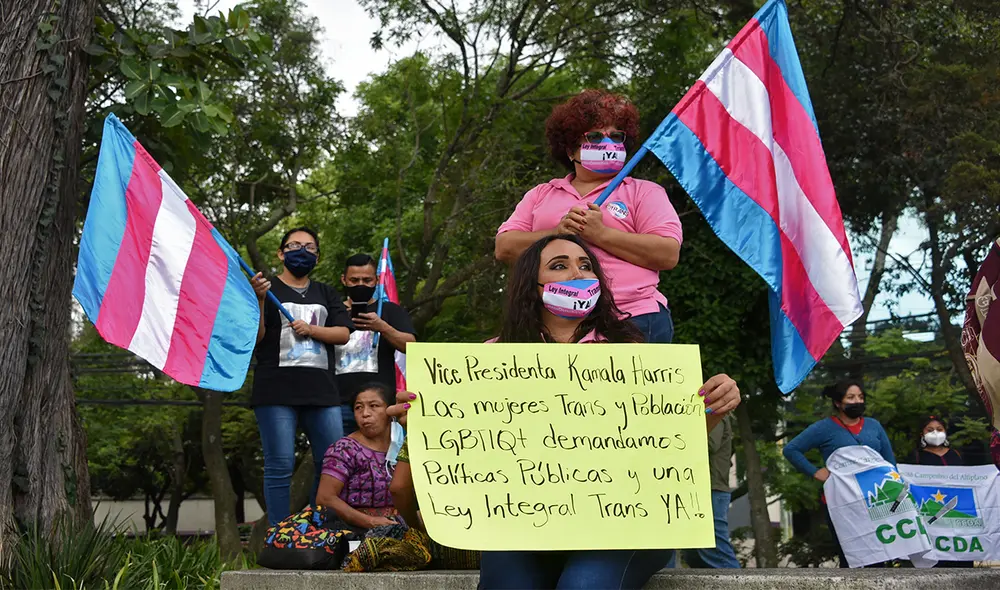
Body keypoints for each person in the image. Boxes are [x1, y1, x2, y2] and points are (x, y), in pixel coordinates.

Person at [386, 234, 742, 590]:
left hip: (624, 526)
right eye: (559, 265)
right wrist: (427, 422)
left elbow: (666, 446)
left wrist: (714, 405)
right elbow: (462, 453)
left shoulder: (633, 356)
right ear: (532, 285)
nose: (577, 273)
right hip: (522, 527)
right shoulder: (489, 360)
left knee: (583, 586)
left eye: (585, 265)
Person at [494, 89, 683, 343]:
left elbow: (668, 254)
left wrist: (601, 234)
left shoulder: (645, 192)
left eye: (616, 136)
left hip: (633, 318)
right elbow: (504, 247)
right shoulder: (540, 194)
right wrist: (556, 234)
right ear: (570, 151)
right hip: (554, 326)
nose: (607, 142)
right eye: (594, 136)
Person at [249, 227, 353, 526]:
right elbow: (256, 338)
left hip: (322, 392)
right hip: (275, 391)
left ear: (317, 257)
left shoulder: (326, 292)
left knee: (332, 465)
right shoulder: (266, 289)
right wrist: (259, 300)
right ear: (280, 253)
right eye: (294, 245)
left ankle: (321, 527)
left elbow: (343, 334)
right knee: (279, 465)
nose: (302, 252)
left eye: (309, 248)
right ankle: (279, 534)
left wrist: (312, 330)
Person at [783, 380, 895, 568]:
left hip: (875, 498)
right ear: (837, 402)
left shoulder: (874, 426)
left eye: (860, 397)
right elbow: (791, 449)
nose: (857, 401)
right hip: (842, 501)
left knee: (879, 555)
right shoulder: (824, 428)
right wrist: (815, 472)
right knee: (850, 556)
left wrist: (895, 491)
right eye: (851, 397)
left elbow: (889, 461)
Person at [333, 253, 416, 434]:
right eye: (354, 280)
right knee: (337, 452)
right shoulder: (332, 310)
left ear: (377, 280)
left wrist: (383, 327)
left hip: (379, 404)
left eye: (367, 280)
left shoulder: (390, 310)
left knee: (380, 452)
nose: (360, 285)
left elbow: (411, 346)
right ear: (344, 280)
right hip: (337, 403)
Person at [316, 382, 400, 533]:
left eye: (374, 406)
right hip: (353, 533)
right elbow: (325, 498)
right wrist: (371, 522)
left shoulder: (403, 447)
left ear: (391, 411)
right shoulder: (344, 449)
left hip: (398, 528)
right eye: (358, 407)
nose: (365, 413)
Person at [666, 415, 740, 569]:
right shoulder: (705, 411)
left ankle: (740, 581)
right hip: (699, 488)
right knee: (695, 553)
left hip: (711, 489)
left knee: (714, 550)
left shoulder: (713, 411)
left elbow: (709, 444)